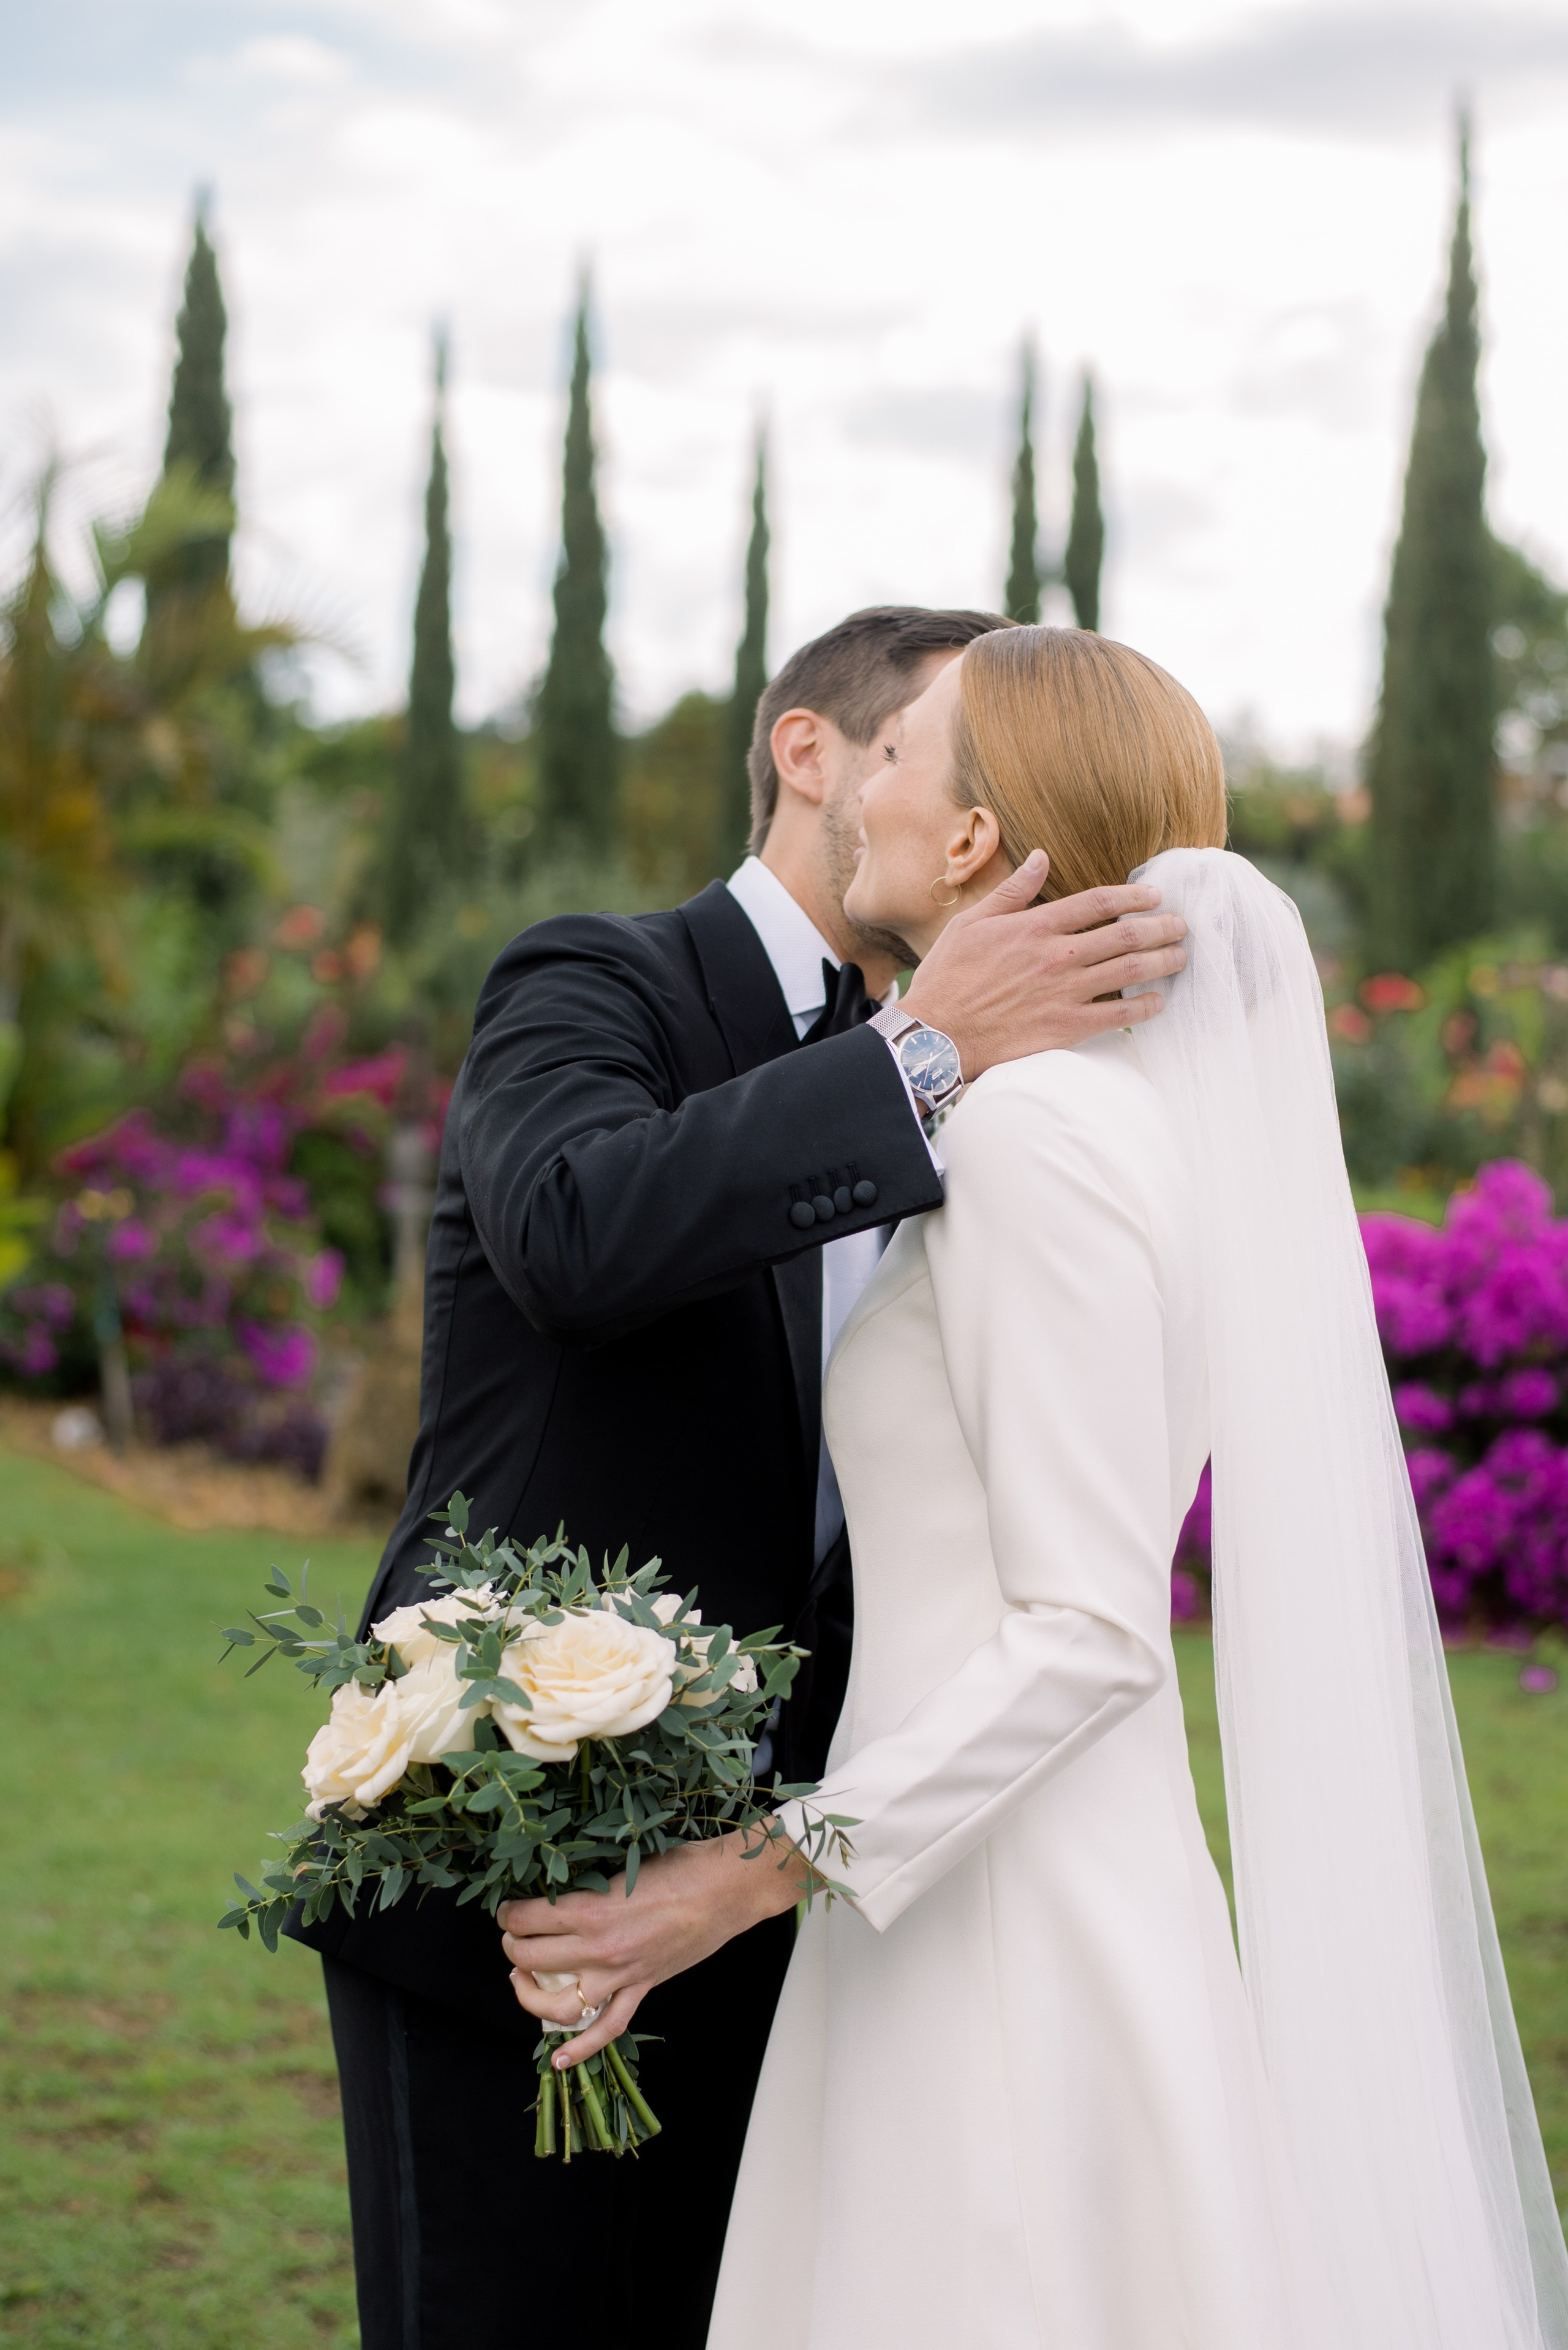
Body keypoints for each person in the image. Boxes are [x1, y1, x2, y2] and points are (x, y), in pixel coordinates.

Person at [504, 627, 1568, 2350]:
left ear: (983, 839)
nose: (868, 785)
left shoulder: (1037, 1138)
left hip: (994, 1915)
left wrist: (755, 1870)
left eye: (906, 752)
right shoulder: (1095, 1120)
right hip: (975, 1866)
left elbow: (1089, 1633)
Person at [292, 605, 1192, 2350]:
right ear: (811, 753)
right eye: (932, 747)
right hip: (511, 1871)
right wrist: (917, 1050)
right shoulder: (595, 978)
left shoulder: (1015, 1117)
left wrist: (795, 1854)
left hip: (799, 1904)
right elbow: (573, 1232)